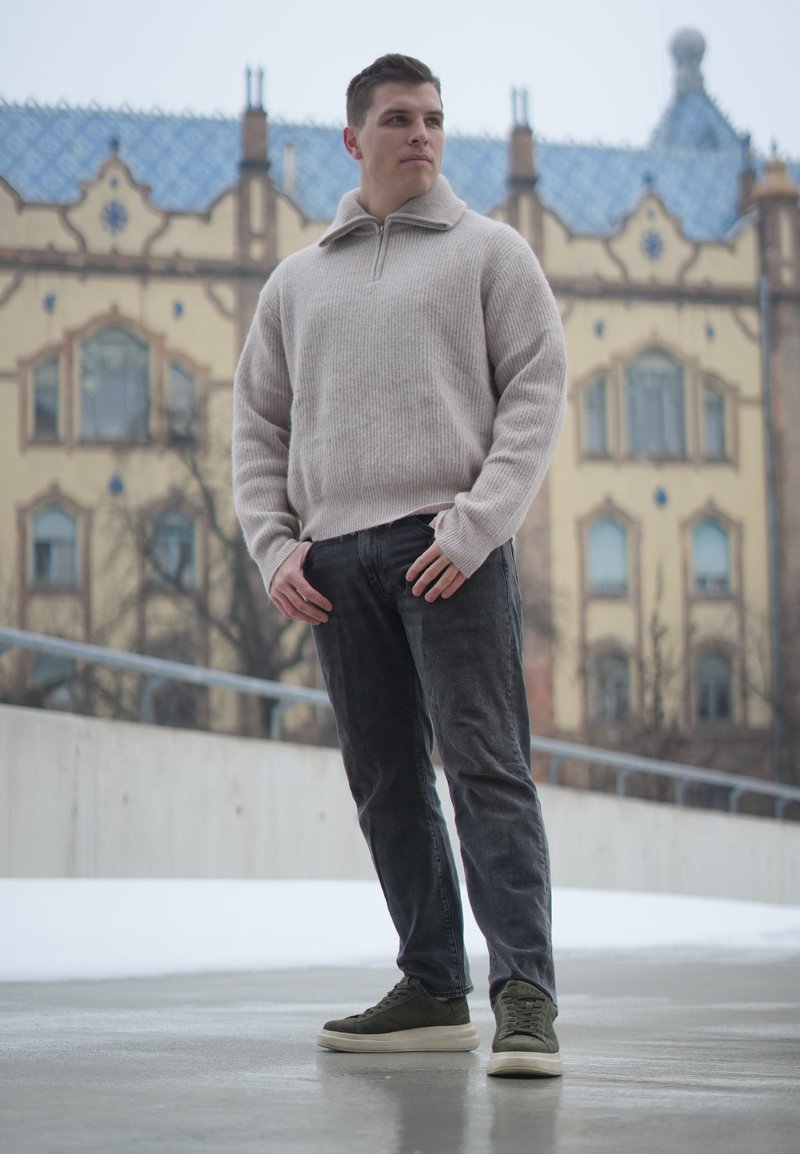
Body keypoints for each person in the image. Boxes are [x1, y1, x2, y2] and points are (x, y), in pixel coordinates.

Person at [232, 53, 567, 1079]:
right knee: (384, 779)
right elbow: (256, 423)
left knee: (484, 769)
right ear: (353, 138)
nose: (419, 134)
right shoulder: (298, 280)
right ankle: (430, 983)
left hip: (447, 551)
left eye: (431, 118)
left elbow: (535, 391)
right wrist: (275, 543)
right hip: (333, 559)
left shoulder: (489, 254)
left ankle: (524, 994)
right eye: (397, 118)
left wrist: (474, 528)